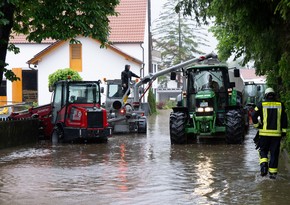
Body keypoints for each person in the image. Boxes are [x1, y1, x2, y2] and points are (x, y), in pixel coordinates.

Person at [251, 87, 288, 179]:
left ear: (265, 95)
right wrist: (283, 132)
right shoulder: (281, 105)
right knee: (274, 154)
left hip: (264, 135)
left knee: (263, 151)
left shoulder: (261, 104)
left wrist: (257, 126)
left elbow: (253, 114)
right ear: (274, 95)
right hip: (276, 136)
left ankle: (264, 166)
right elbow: (284, 120)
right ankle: (272, 175)